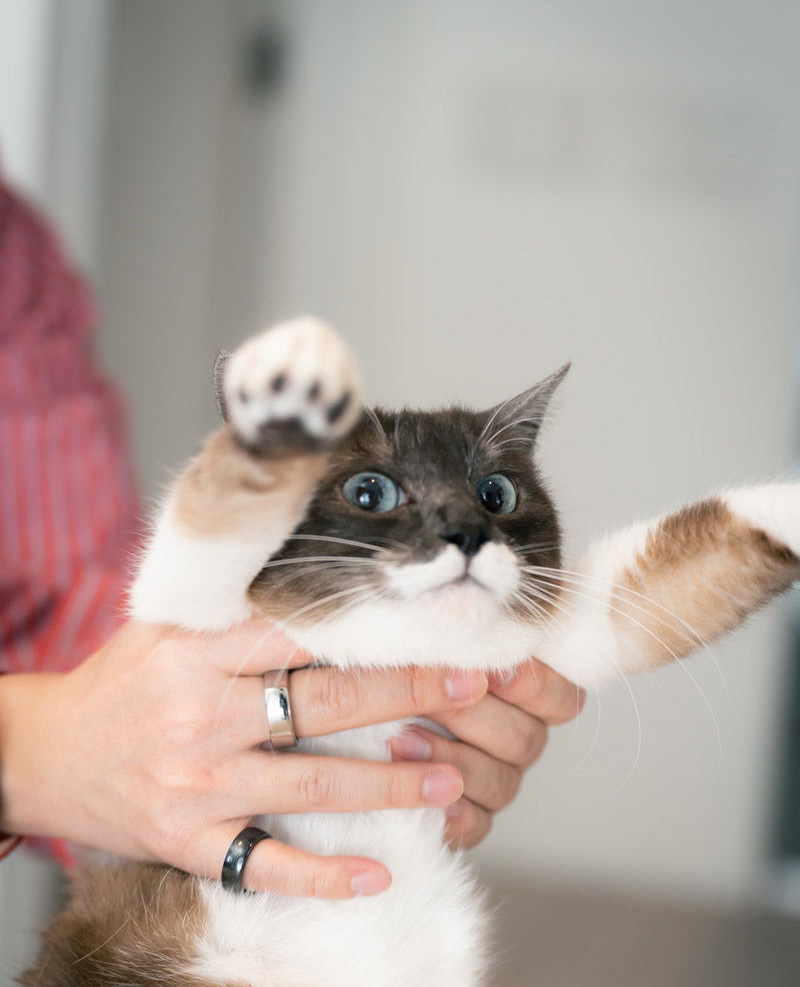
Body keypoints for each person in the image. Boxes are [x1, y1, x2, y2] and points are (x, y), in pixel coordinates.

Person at [0, 174, 584, 895]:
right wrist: (37, 750)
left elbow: (60, 598)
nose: (463, 525)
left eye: (492, 497)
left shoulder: (11, 246)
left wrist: (203, 709)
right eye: (374, 494)